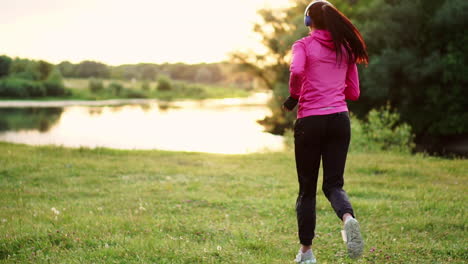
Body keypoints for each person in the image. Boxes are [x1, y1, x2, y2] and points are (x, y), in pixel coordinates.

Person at [282, 0, 369, 263]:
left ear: (309, 22)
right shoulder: (346, 49)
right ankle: (348, 218)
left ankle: (306, 254)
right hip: (339, 120)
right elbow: (353, 92)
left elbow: (297, 69)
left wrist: (295, 95)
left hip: (310, 121)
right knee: (333, 184)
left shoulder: (303, 45)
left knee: (307, 189)